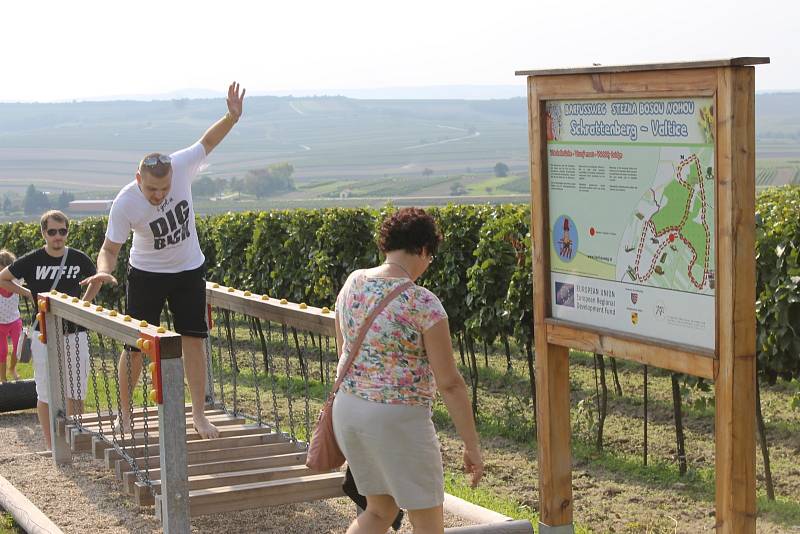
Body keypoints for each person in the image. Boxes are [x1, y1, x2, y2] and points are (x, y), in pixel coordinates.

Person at [80, 82, 245, 439]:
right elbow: (110, 249)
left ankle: (199, 415)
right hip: (147, 274)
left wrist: (231, 117)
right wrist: (103, 272)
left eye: (165, 189)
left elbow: (208, 141)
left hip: (189, 270)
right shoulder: (125, 203)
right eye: (152, 190)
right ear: (139, 179)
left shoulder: (182, 165)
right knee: (137, 345)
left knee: (194, 340)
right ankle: (124, 415)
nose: (158, 195)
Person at [332, 207, 483, 534]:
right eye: (431, 257)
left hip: (349, 412)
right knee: (427, 523)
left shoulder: (353, 283)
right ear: (424, 250)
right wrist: (471, 445)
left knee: (378, 511)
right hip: (397, 420)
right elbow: (451, 384)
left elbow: (343, 349)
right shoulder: (423, 303)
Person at [0, 211, 102, 450]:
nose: (58, 236)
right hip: (43, 333)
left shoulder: (78, 258)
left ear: (67, 232)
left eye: (62, 231)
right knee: (45, 390)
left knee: (76, 387)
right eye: (52, 232)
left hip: (75, 331)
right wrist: (29, 294)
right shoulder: (32, 259)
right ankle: (51, 445)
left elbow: (96, 278)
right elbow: (3, 278)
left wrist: (84, 304)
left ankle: (74, 442)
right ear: (43, 233)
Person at [0, 249, 22, 382]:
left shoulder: (17, 281)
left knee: (17, 349)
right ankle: (3, 378)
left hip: (14, 321)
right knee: (2, 352)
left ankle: (12, 368)